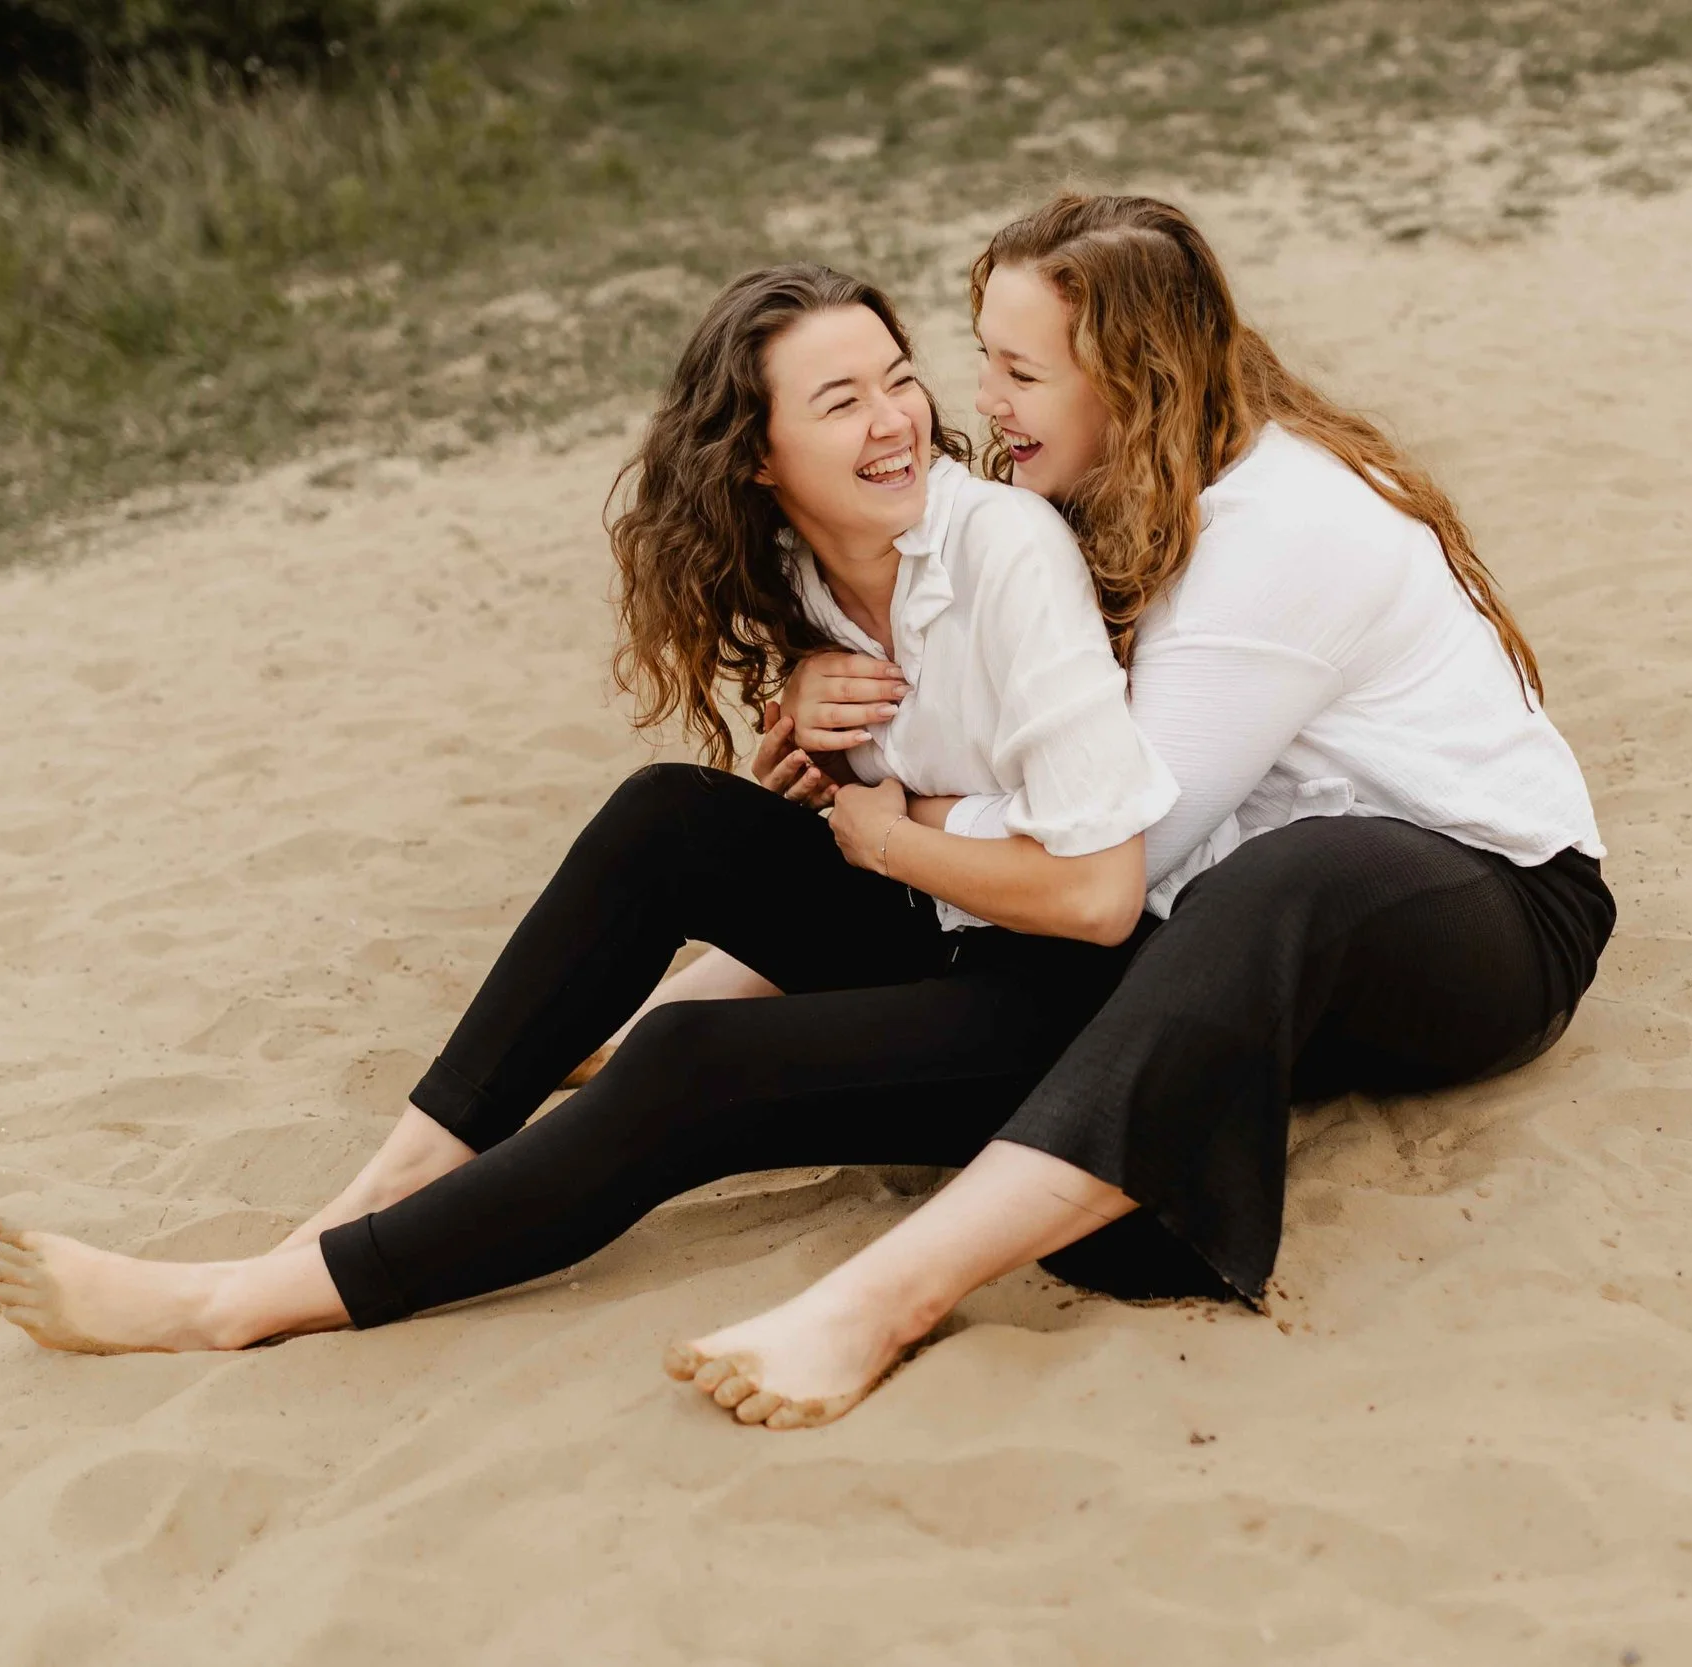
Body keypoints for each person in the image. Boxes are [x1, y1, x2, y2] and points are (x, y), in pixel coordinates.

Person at [0, 262, 1182, 1429]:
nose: (896, 420)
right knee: (666, 814)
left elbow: (1097, 900)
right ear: (758, 459)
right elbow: (865, 795)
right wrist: (822, 752)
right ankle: (375, 1197)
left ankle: (236, 1303)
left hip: (1054, 999)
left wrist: (881, 835)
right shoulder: (812, 573)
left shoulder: (1007, 551)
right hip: (937, 934)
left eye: (898, 377)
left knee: (690, 1053)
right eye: (841, 400)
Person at [652, 194, 1615, 1425]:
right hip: (1232, 900)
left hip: (1487, 913)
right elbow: (1009, 712)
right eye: (983, 358)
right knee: (1111, 938)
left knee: (1270, 880)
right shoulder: (1126, 467)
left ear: (1130, 374)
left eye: (1019, 371)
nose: (981, 404)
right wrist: (833, 703)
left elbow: (1111, 852)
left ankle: (886, 1296)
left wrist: (909, 814)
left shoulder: (1275, 539)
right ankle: (691, 1022)